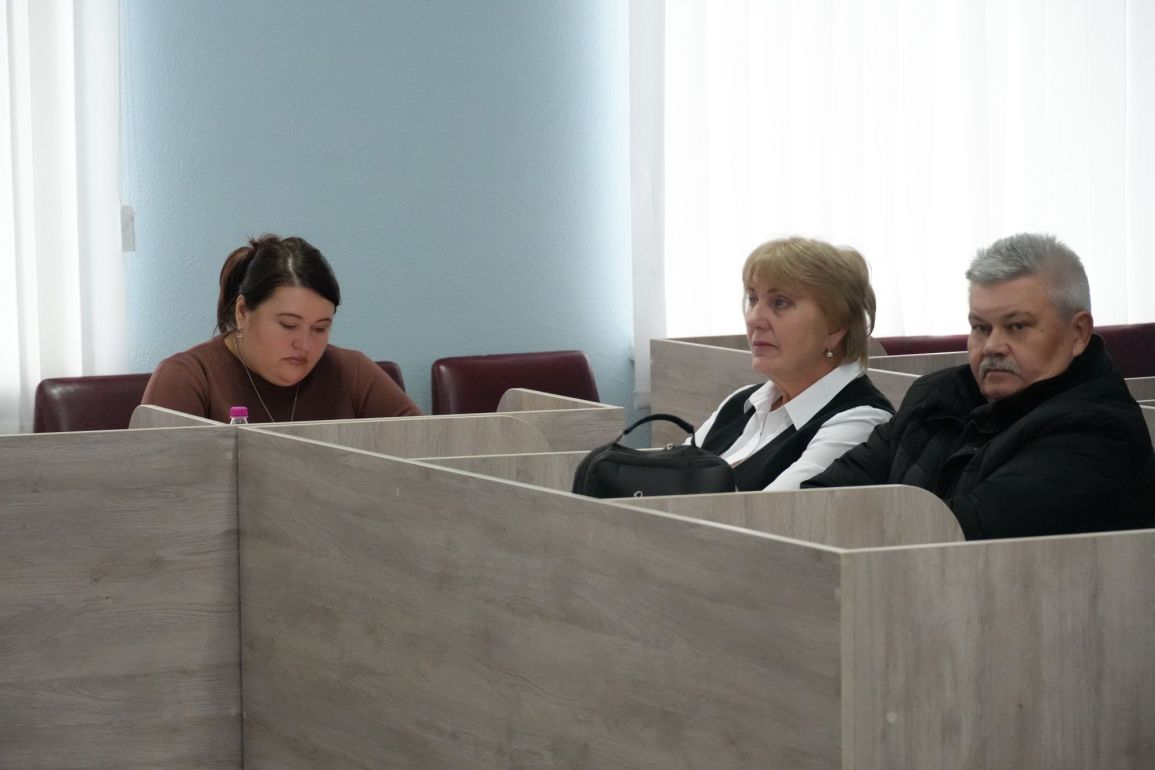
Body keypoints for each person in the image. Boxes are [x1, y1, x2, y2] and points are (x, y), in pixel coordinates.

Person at [804, 232, 1155, 539]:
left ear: (1077, 333)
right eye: (980, 327)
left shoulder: (1098, 431)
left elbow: (962, 536)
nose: (992, 346)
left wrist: (847, 521)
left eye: (1016, 326)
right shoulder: (934, 396)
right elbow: (820, 499)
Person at [142, 234, 421, 423]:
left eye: (320, 328)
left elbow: (431, 449)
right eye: (288, 325)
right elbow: (159, 485)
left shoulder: (351, 372)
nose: (305, 345)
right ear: (243, 312)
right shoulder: (189, 378)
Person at [692, 236, 895, 490]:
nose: (754, 319)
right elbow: (666, 477)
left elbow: (768, 511)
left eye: (780, 302)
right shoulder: (741, 403)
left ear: (835, 325)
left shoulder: (860, 422)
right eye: (753, 299)